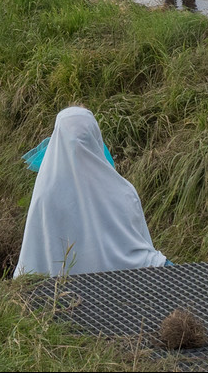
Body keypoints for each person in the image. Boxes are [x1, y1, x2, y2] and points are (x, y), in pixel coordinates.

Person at [14, 106, 167, 278]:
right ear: (95, 136)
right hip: (124, 289)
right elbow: (138, 250)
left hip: (62, 296)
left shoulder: (45, 195)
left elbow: (34, 258)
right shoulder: (122, 190)